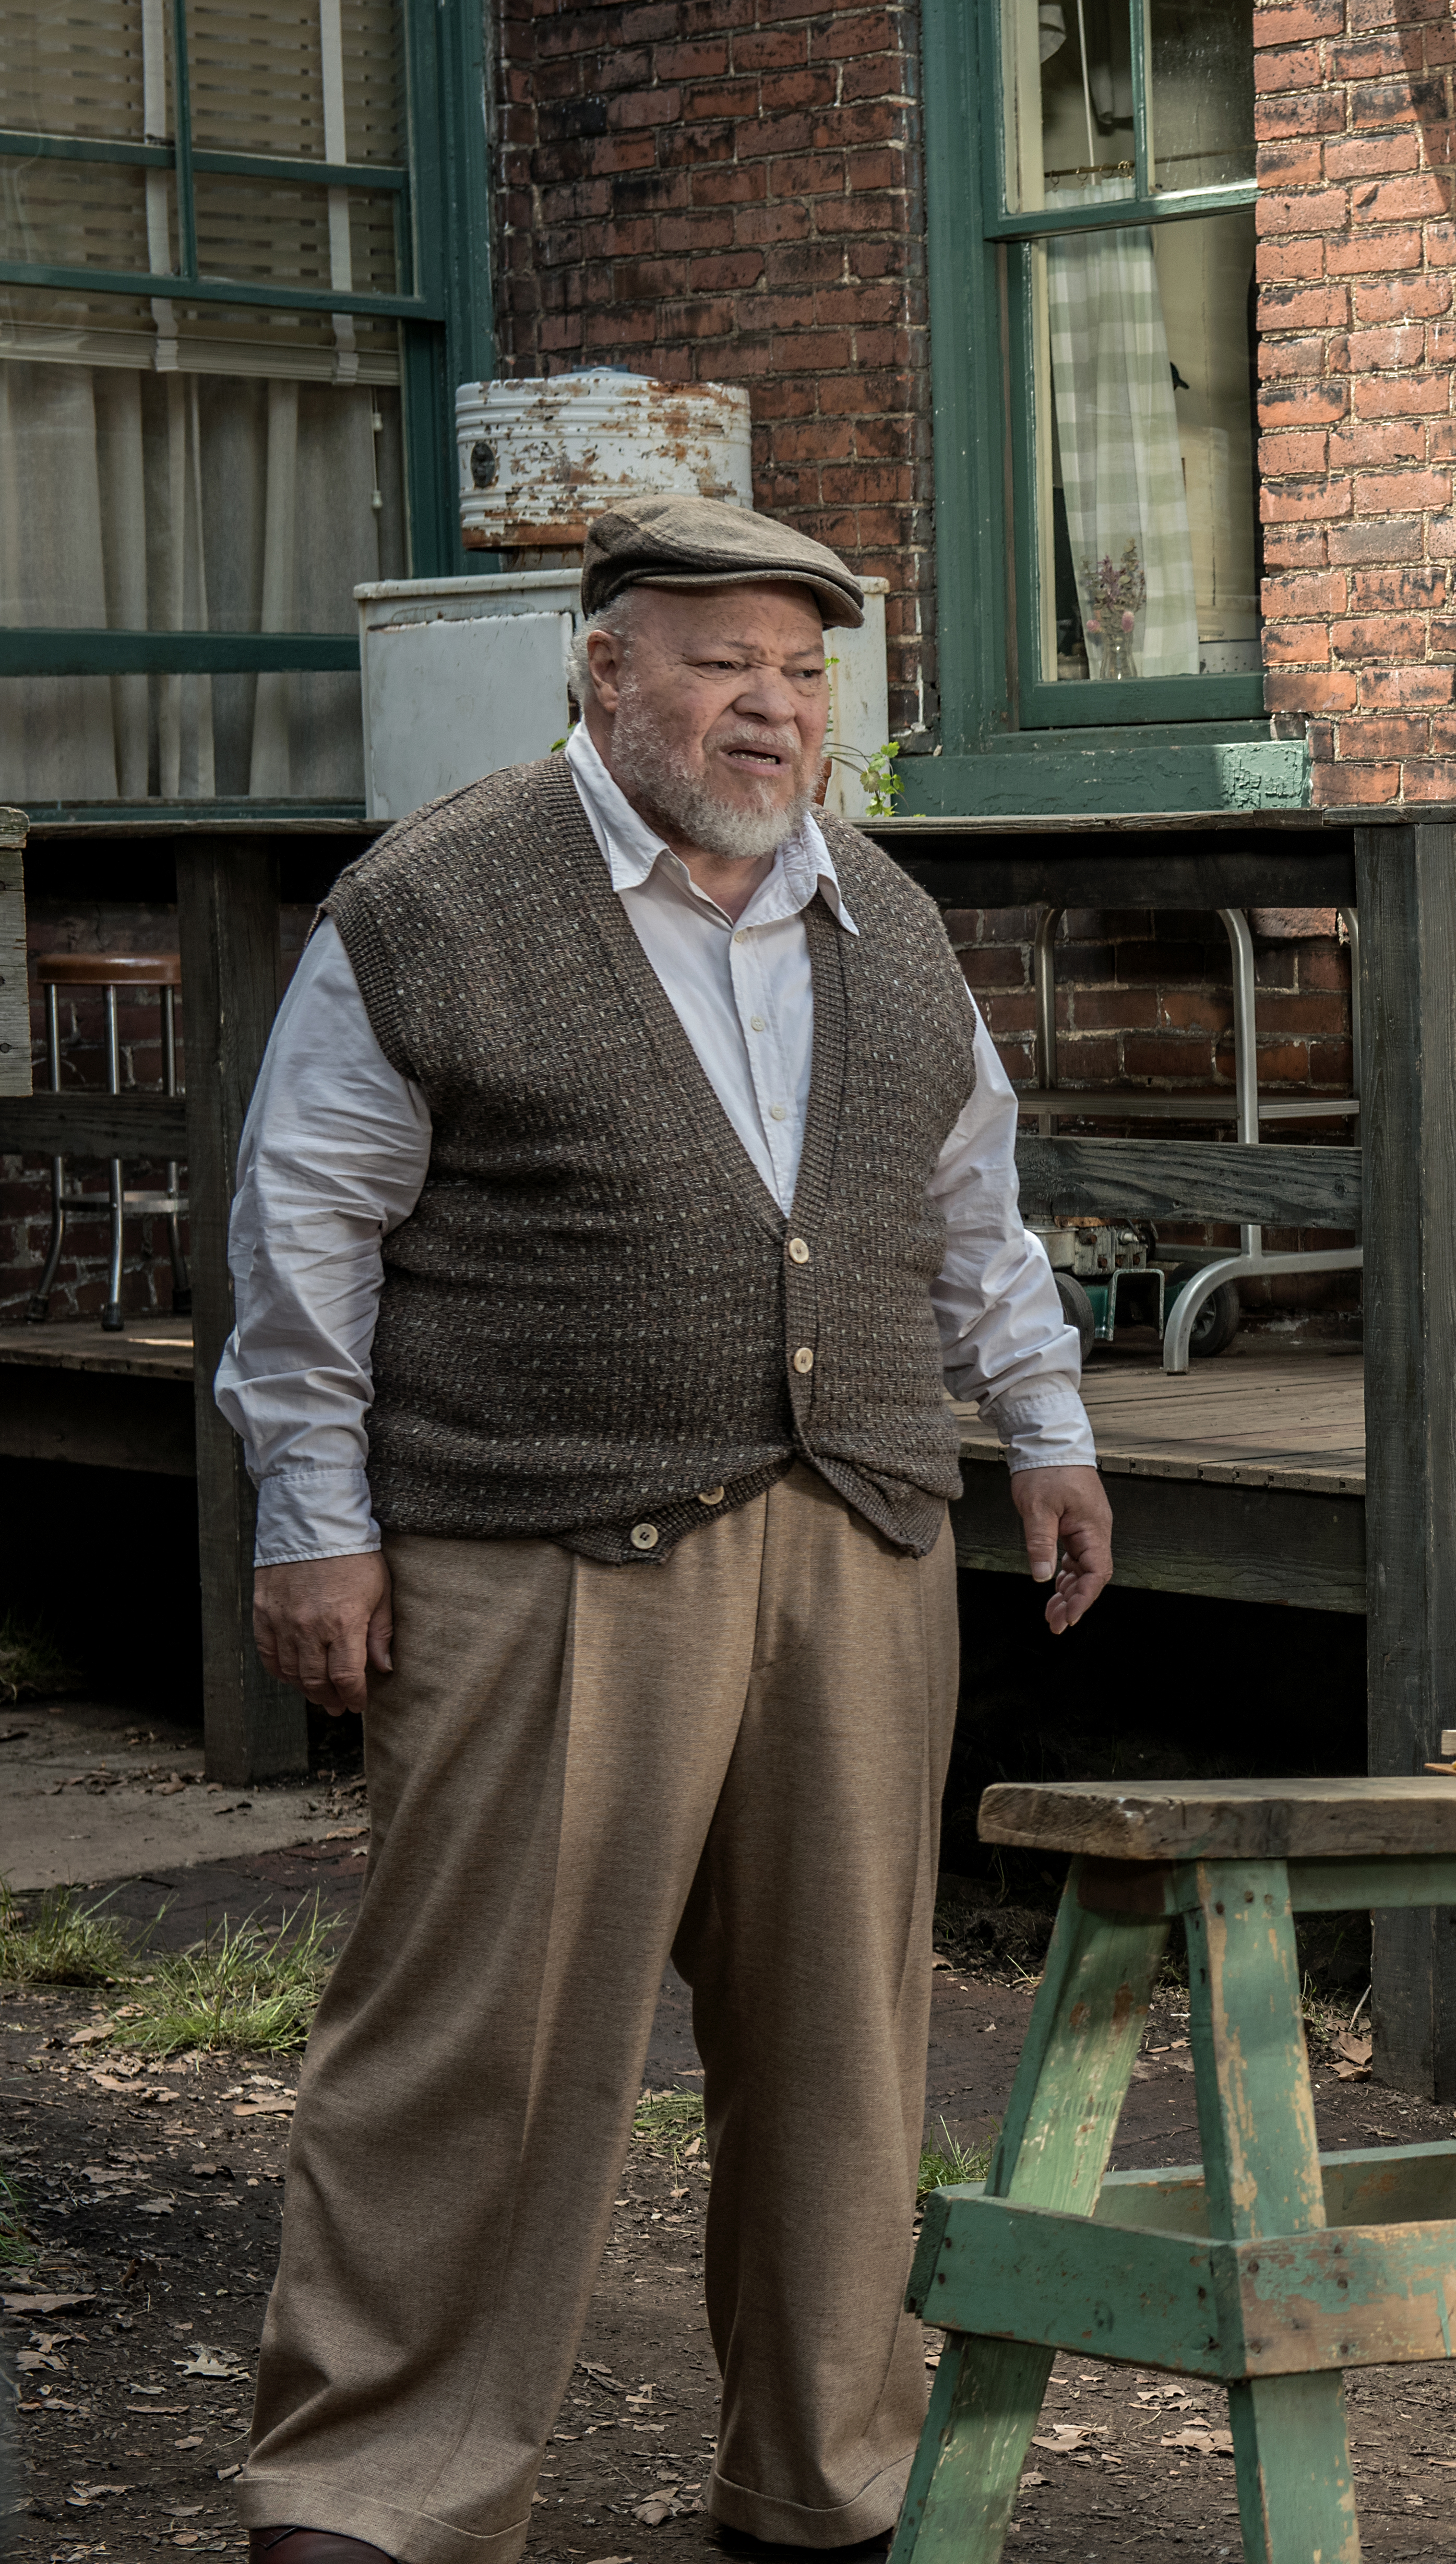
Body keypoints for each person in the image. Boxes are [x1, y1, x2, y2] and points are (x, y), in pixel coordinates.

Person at [218, 496, 1116, 2564]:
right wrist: (314, 1517)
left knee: (843, 2045)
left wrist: (1046, 1430)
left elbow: (963, 1202)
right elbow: (304, 1222)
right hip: (539, 1541)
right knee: (480, 2040)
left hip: (859, 1531)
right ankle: (374, 2492)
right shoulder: (437, 900)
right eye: (722, 660)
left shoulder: (877, 911)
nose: (771, 706)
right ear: (601, 668)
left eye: (803, 672)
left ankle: (824, 2477)